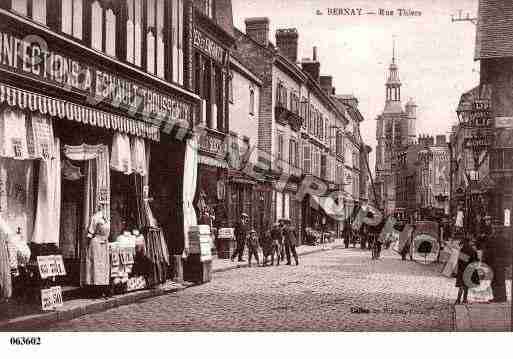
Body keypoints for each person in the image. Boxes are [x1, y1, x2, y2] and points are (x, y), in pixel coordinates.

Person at [455, 237, 480, 305]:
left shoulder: (463, 249)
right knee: (466, 285)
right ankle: (464, 300)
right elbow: (475, 261)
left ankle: (458, 300)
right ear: (469, 242)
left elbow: (460, 261)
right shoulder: (472, 250)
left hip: (462, 269)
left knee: (461, 286)